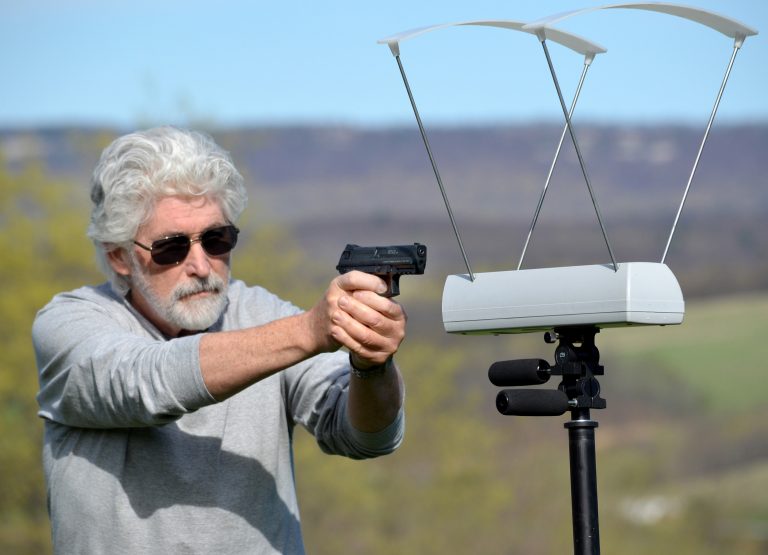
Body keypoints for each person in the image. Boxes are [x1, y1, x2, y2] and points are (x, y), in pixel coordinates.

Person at [32, 126, 407, 554]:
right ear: (119, 255)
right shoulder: (68, 324)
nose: (201, 265)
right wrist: (309, 331)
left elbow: (367, 437)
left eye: (217, 239)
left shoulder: (262, 314)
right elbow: (146, 382)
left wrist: (371, 364)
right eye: (171, 248)